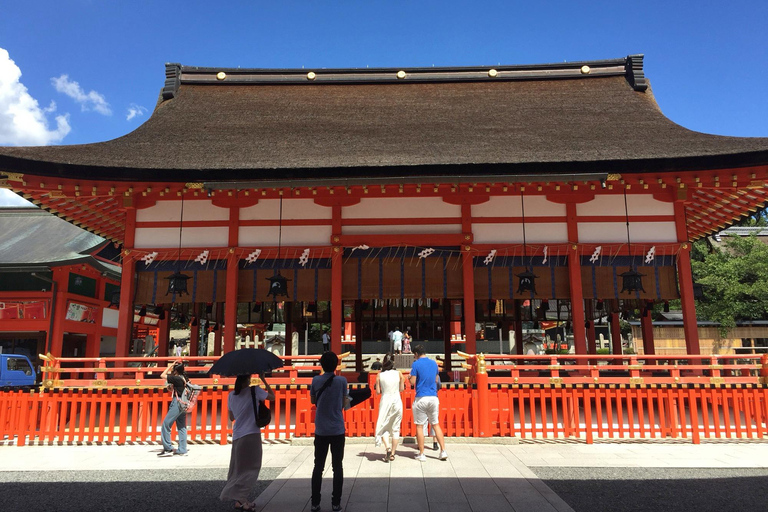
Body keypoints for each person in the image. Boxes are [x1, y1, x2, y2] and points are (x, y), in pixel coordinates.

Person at [220, 373, 275, 511]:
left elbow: (232, 417)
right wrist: (263, 379)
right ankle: (242, 500)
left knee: (238, 468)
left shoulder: (231, 395)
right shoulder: (254, 390)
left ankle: (239, 499)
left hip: (237, 435)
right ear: (247, 381)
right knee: (252, 467)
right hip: (251, 434)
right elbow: (272, 397)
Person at [310, 352, 349, 512]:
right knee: (337, 466)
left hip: (321, 429)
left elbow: (313, 400)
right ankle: (335, 502)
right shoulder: (341, 381)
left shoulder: (316, 380)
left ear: (321, 364)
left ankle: (315, 503)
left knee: (318, 466)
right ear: (336, 365)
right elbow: (344, 401)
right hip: (337, 428)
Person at [409, 344, 447, 461]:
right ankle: (443, 451)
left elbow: (413, 381)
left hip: (421, 397)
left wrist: (409, 378)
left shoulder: (416, 364)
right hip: (433, 396)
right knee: (436, 424)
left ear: (416, 354)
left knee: (420, 426)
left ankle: (422, 453)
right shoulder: (434, 363)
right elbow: (436, 379)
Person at [374, 355, 404, 462]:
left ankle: (387, 447)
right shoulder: (399, 374)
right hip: (396, 400)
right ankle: (393, 454)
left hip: (385, 400)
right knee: (396, 427)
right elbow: (401, 389)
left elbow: (378, 391)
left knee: (384, 425)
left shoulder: (379, 375)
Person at [158, 360, 188, 457]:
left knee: (166, 424)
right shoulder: (185, 378)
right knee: (181, 426)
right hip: (184, 403)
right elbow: (174, 389)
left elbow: (162, 375)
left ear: (175, 370)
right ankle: (182, 449)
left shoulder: (176, 378)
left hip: (177, 403)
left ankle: (168, 448)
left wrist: (170, 365)